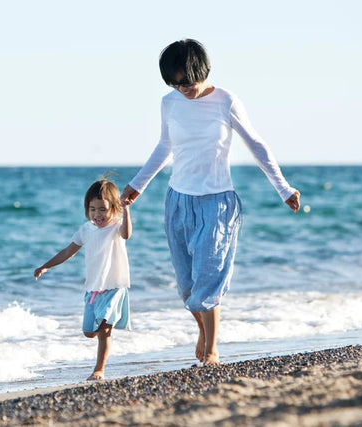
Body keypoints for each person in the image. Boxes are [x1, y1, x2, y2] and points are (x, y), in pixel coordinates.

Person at [121, 39, 300, 367]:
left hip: (217, 203)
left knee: (209, 279)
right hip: (177, 201)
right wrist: (138, 185)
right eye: (174, 83)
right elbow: (165, 146)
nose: (181, 88)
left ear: (201, 71)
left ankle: (212, 351)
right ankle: (204, 330)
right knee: (188, 288)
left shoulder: (225, 101)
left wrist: (283, 188)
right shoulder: (170, 103)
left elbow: (256, 144)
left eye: (186, 81)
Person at [34, 178, 132, 381]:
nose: (97, 214)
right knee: (89, 332)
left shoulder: (116, 226)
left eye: (103, 209)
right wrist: (46, 266)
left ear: (114, 208)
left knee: (104, 329)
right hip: (93, 289)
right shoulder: (86, 230)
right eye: (92, 209)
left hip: (114, 287)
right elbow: (68, 251)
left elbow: (127, 234)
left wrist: (127, 211)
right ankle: (99, 345)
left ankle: (99, 370)